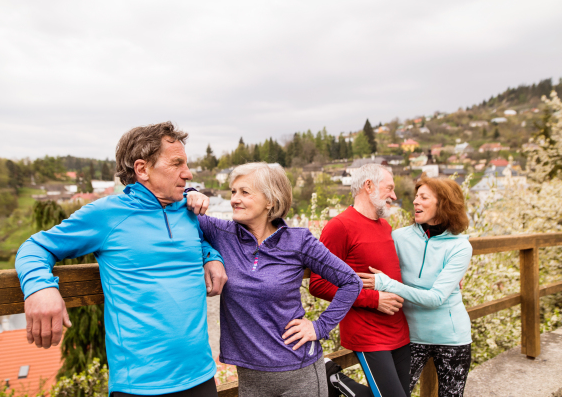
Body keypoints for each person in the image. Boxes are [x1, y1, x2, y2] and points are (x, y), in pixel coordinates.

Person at [15, 122, 228, 397]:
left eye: (186, 163)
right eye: (177, 163)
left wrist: (212, 256)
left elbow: (198, 242)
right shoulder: (107, 214)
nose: (187, 174)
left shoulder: (187, 210)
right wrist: (41, 288)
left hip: (201, 376)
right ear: (142, 169)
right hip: (140, 385)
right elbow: (35, 247)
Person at [195, 162, 362, 397]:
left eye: (244, 192)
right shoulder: (222, 233)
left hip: (299, 373)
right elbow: (178, 211)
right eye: (233, 191)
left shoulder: (298, 241)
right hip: (250, 376)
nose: (234, 199)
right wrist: (192, 195)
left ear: (270, 201)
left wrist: (320, 327)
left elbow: (351, 282)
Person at [309, 163, 411, 397]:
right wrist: (373, 300)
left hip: (399, 329)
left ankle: (334, 378)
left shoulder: (385, 226)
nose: (394, 196)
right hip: (369, 333)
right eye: (390, 188)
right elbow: (319, 283)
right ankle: (334, 378)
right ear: (369, 186)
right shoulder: (339, 227)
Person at [367, 174, 473, 397]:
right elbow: (369, 262)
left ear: (442, 203)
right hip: (410, 336)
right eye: (416, 197)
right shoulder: (397, 237)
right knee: (392, 394)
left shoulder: (460, 246)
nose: (415, 201)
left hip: (452, 338)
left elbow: (435, 298)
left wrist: (388, 284)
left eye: (423, 197)